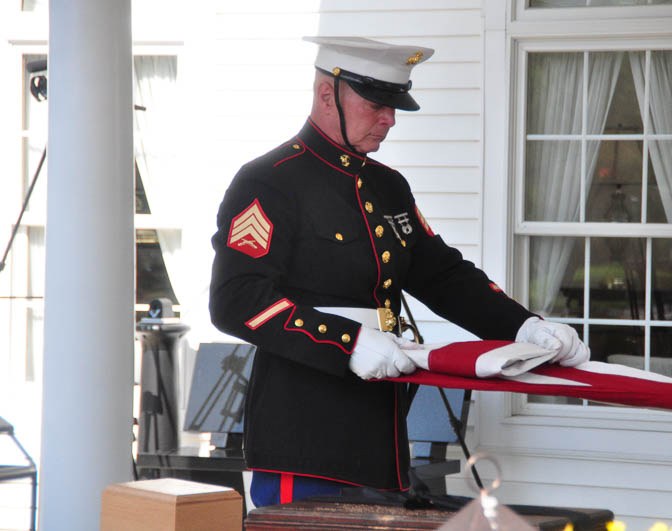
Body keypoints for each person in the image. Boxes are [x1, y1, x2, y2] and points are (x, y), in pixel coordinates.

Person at [208, 36, 589, 508]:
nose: (389, 119)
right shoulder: (269, 180)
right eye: (375, 104)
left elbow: (443, 276)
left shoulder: (388, 187)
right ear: (327, 94)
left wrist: (525, 326)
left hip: (379, 431)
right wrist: (347, 342)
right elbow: (236, 300)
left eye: (393, 106)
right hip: (303, 435)